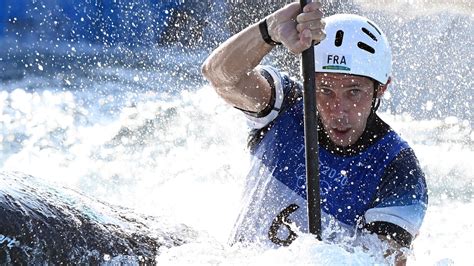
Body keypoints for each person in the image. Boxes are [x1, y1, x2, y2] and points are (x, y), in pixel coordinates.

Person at [201, 1, 428, 265]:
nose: (338, 111)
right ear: (310, 81)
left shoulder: (398, 169)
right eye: (325, 90)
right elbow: (220, 75)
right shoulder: (285, 105)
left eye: (354, 92)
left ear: (381, 89)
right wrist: (269, 30)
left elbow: (382, 261)